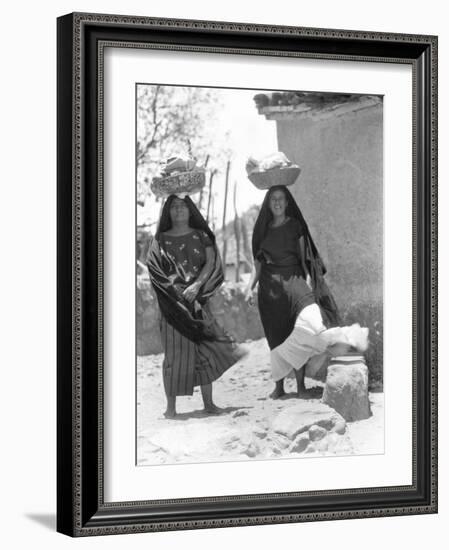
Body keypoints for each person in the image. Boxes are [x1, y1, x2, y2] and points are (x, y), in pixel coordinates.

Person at [246, 185, 368, 399]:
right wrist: (250, 288)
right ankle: (280, 387)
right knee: (276, 336)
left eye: (281, 199)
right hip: (270, 288)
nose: (277, 202)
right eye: (273, 199)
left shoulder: (295, 226)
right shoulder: (261, 230)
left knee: (308, 326)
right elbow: (257, 265)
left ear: (287, 202)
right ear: (267, 203)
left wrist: (310, 281)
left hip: (295, 280)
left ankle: (302, 384)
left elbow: (304, 258)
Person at [147, 194, 246, 418]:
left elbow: (211, 263)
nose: (179, 210)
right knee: (173, 354)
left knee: (204, 351)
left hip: (197, 301)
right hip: (172, 305)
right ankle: (170, 408)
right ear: (168, 211)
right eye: (174, 206)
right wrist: (174, 294)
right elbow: (154, 269)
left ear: (190, 209)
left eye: (183, 205)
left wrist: (196, 287)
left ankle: (209, 404)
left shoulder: (202, 235)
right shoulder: (160, 240)